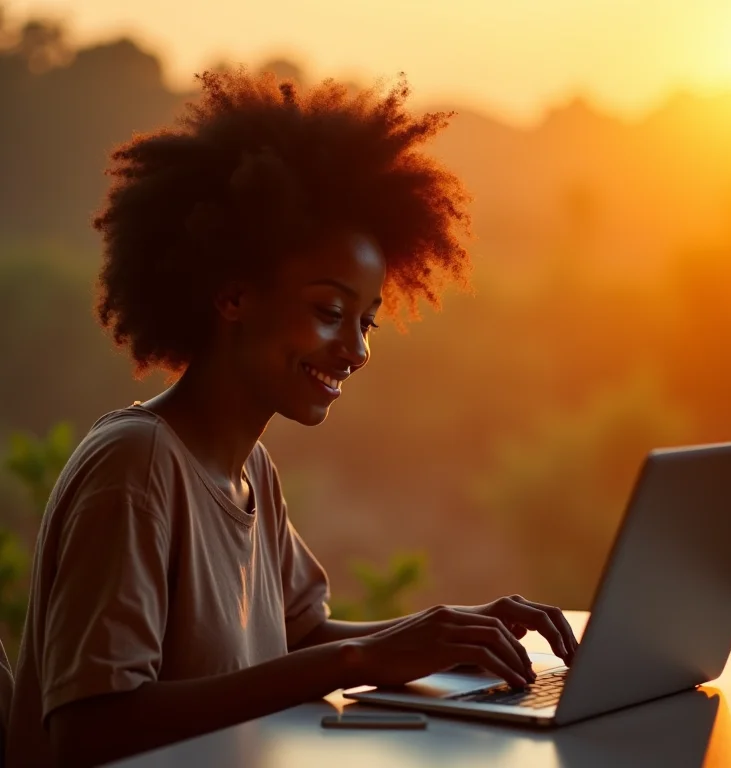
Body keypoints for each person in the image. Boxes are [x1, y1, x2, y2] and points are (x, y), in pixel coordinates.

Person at [7, 69, 578, 768]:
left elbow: (300, 637)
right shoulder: (136, 467)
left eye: (366, 322)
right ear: (233, 296)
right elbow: (89, 733)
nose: (357, 350)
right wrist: (358, 659)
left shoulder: (249, 470)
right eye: (330, 311)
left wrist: (449, 636)